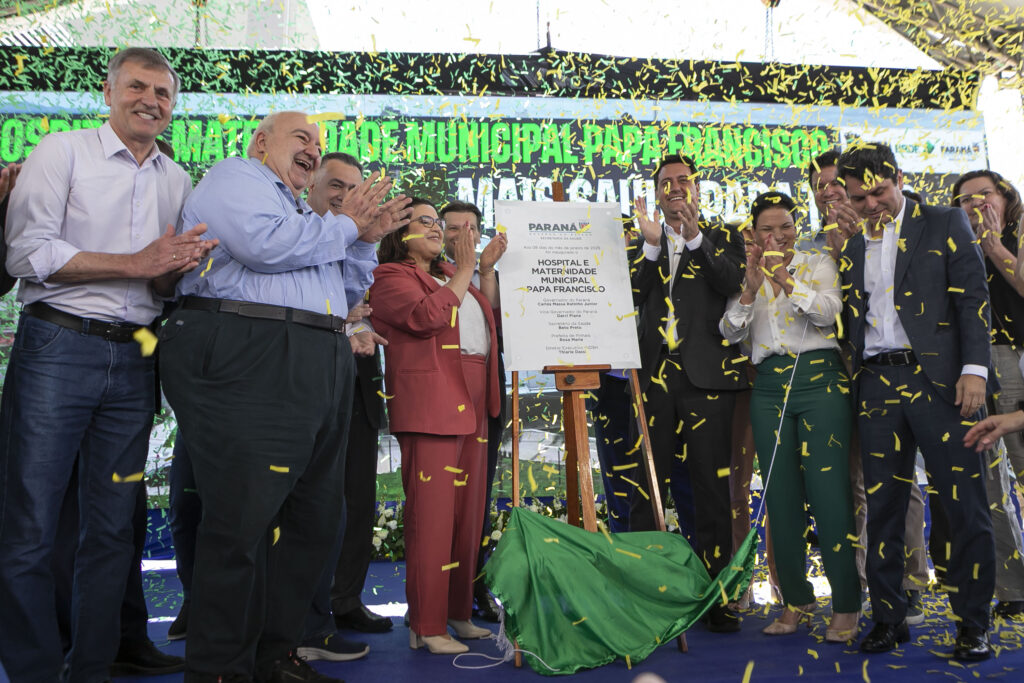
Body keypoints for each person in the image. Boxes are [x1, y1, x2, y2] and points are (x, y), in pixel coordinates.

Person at [159, 110, 396, 682]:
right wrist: (344, 227)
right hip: (249, 351)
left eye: (319, 141)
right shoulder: (235, 178)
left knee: (314, 520)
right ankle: (220, 668)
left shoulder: (303, 213)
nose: (314, 149)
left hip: (316, 356)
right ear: (263, 143)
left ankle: (274, 654)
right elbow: (264, 246)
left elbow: (339, 292)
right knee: (241, 520)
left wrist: (365, 239)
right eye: (302, 138)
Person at [0, 47, 211, 682]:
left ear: (173, 107)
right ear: (109, 90)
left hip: (136, 356)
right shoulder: (61, 151)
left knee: (115, 527)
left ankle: (90, 668)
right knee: (29, 526)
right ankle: (35, 671)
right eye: (138, 87)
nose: (150, 100)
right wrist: (137, 263)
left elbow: (163, 280)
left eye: (163, 93)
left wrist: (180, 275)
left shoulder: (177, 180)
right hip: (56, 349)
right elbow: (25, 254)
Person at [836, 142, 995, 660]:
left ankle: (974, 623)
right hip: (877, 385)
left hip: (943, 384)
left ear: (899, 178)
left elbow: (973, 299)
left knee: (964, 504)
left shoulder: (946, 221)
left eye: (880, 192)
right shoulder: (854, 245)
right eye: (861, 198)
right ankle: (888, 617)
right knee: (882, 507)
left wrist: (974, 370)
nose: (872, 205)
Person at [720, 191, 860, 641]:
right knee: (778, 496)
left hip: (820, 379)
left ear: (796, 229)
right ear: (753, 234)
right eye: (767, 229)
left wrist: (784, 277)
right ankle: (794, 601)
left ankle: (847, 605)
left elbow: (830, 316)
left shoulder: (818, 263)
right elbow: (729, 332)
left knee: (829, 494)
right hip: (767, 384)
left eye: (785, 227)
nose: (776, 235)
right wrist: (748, 286)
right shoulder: (748, 273)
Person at [369, 198, 506, 654]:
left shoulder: (451, 274)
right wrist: (465, 270)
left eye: (435, 221)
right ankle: (426, 626)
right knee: (432, 517)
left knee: (467, 517)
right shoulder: (390, 277)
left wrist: (471, 270)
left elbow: (488, 326)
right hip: (431, 402)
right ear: (399, 233)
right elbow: (426, 318)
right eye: (424, 221)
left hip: (474, 397)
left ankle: (457, 613)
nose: (434, 228)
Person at [803, 150, 930, 622]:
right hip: (834, 377)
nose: (830, 192)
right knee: (856, 484)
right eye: (820, 186)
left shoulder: (892, 232)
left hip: (891, 371)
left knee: (901, 481)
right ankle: (860, 586)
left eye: (837, 183)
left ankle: (910, 580)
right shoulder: (809, 245)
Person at [296, 151, 410, 662]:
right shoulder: (296, 234)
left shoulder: (364, 243)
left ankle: (344, 600)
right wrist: (347, 320)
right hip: (306, 384)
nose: (347, 196)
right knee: (313, 507)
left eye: (355, 187)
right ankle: (305, 616)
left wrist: (358, 322)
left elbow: (361, 306)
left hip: (359, 382)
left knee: (356, 501)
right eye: (337, 186)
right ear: (311, 188)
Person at [629, 153, 748, 632]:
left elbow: (733, 281)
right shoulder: (640, 240)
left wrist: (693, 238)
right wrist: (654, 248)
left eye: (683, 180)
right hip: (656, 380)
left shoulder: (723, 235)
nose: (674, 187)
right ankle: (641, 596)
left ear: (698, 188)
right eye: (665, 182)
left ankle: (718, 596)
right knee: (647, 486)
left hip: (709, 382)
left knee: (711, 492)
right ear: (655, 192)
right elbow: (631, 296)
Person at [942, 169, 1024, 619]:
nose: (976, 205)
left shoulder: (1018, 230)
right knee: (988, 482)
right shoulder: (952, 242)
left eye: (984, 195)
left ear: (1006, 196)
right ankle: (1013, 588)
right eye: (965, 200)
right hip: (971, 365)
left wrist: (993, 246)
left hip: (1015, 357)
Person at [437, 199, 507, 621]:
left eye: (470, 229)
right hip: (441, 402)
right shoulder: (426, 275)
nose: (464, 236)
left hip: (487, 400)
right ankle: (431, 595)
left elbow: (495, 322)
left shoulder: (493, 275)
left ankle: (471, 589)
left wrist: (483, 271)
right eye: (453, 230)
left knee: (478, 500)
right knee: (436, 500)